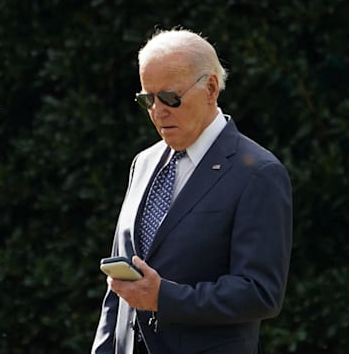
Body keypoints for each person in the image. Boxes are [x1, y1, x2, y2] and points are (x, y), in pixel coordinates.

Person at [91, 29, 293, 354]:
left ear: (211, 88)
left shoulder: (258, 173)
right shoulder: (143, 162)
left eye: (170, 98)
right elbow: (120, 292)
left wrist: (164, 298)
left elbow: (260, 293)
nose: (158, 112)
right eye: (147, 100)